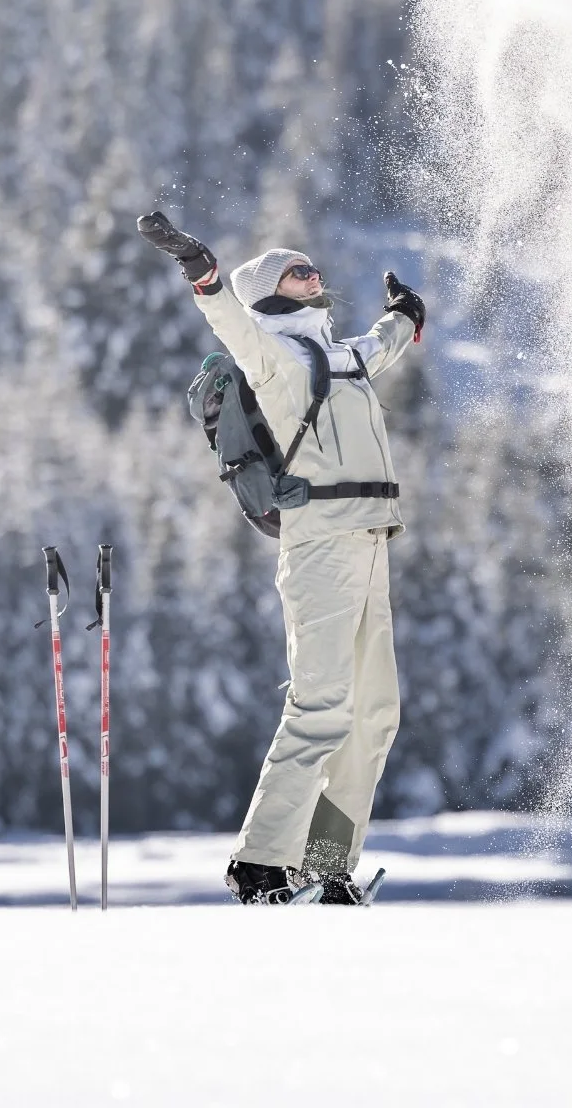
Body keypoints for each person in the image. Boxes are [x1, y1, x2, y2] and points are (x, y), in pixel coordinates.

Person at [137, 210, 426, 905]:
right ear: (269, 288)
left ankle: (327, 865)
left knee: (376, 713)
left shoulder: (344, 355)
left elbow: (387, 344)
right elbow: (227, 321)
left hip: (371, 538)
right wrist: (202, 272)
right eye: (298, 271)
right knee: (322, 705)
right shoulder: (270, 356)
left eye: (312, 267)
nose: (314, 274)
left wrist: (406, 315)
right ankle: (261, 862)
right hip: (321, 542)